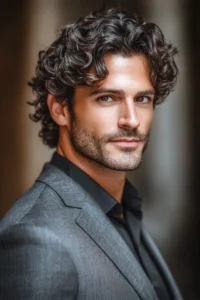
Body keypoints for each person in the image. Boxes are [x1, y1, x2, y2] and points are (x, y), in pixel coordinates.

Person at [0, 8, 183, 300]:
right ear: (60, 108)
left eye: (143, 98)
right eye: (107, 98)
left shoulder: (125, 209)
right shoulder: (36, 239)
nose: (131, 119)